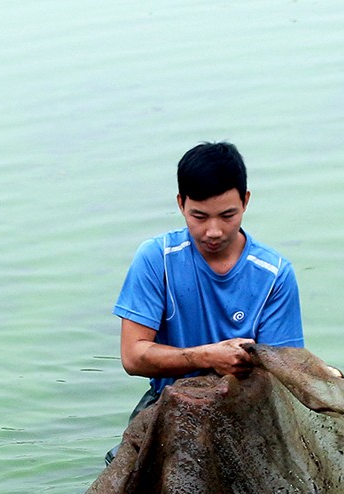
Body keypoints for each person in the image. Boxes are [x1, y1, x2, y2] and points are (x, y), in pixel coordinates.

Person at [113, 142, 303, 413]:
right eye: (199, 216)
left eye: (227, 215)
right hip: (169, 405)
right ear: (181, 204)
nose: (213, 231)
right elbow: (133, 357)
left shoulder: (275, 275)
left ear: (245, 201)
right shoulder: (157, 258)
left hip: (246, 410)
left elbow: (285, 373)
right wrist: (209, 355)